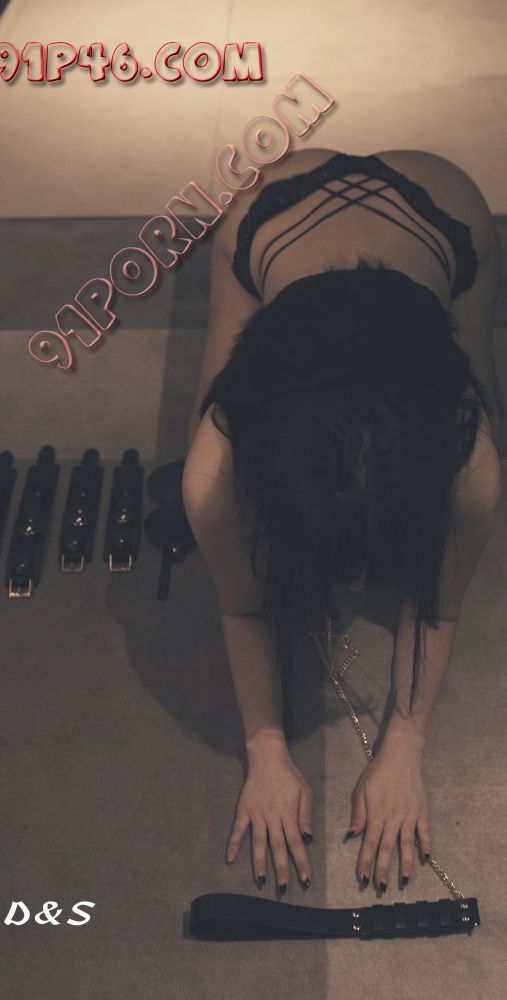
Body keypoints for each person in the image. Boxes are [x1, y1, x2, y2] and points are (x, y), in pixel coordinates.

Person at [181, 147, 503, 899]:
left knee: (486, 401)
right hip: (270, 214)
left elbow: (439, 602)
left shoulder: (469, 459)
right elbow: (241, 603)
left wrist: (406, 746)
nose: (357, 584)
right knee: (206, 446)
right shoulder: (215, 467)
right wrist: (265, 750)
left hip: (444, 210)